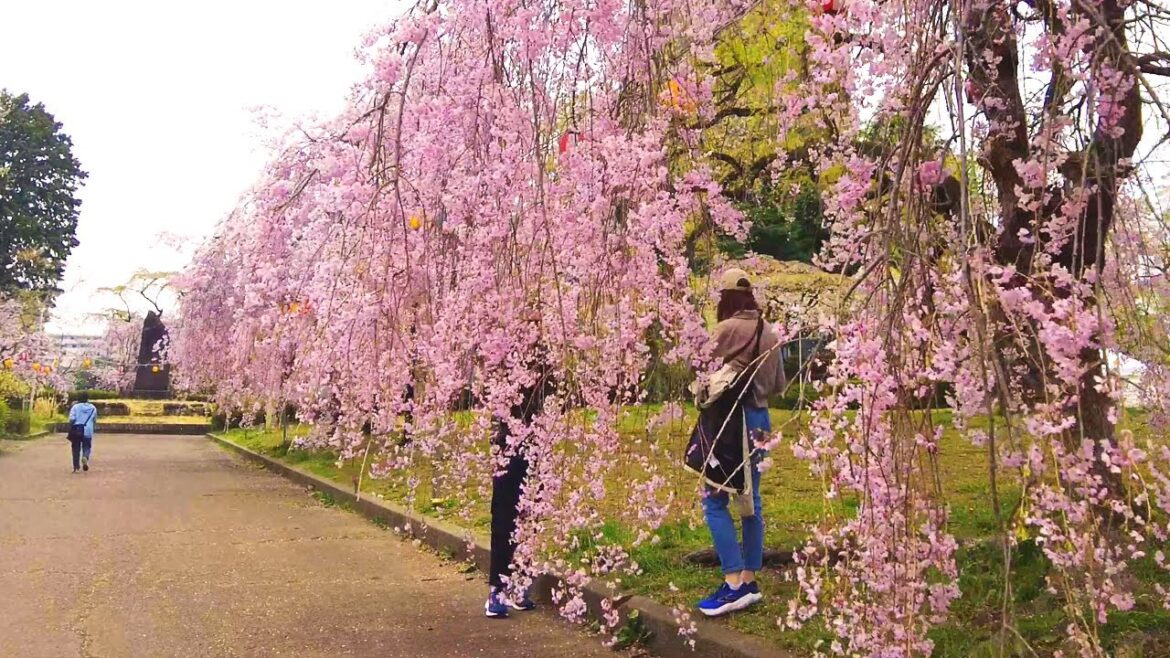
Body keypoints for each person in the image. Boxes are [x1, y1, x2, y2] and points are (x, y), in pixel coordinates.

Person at [693, 268, 786, 617]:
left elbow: (697, 368)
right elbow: (778, 386)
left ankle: (732, 583)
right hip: (760, 420)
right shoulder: (771, 333)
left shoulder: (727, 329)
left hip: (730, 423)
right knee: (751, 501)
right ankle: (749, 578)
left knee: (715, 499)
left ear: (726, 298)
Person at [485, 352, 551, 619]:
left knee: (533, 514)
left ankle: (520, 584)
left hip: (540, 440)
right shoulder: (502, 346)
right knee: (504, 516)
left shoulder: (551, 349)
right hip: (507, 443)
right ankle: (498, 589)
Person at [67, 393, 98, 474]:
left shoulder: (75, 407)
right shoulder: (93, 408)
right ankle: (85, 457)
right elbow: (94, 420)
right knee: (87, 446)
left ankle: (76, 466)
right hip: (88, 430)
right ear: (88, 398)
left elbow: (72, 419)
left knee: (75, 448)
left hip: (77, 429)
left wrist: (70, 426)